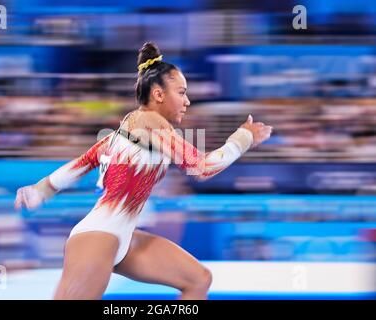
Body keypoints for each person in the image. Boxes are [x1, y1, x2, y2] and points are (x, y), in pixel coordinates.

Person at [14, 42, 272, 300]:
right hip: (97, 237)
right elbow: (201, 167)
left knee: (198, 279)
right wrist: (242, 139)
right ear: (159, 94)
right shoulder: (151, 123)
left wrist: (43, 189)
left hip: (122, 239)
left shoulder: (129, 129)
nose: (187, 101)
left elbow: (87, 160)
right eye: (181, 93)